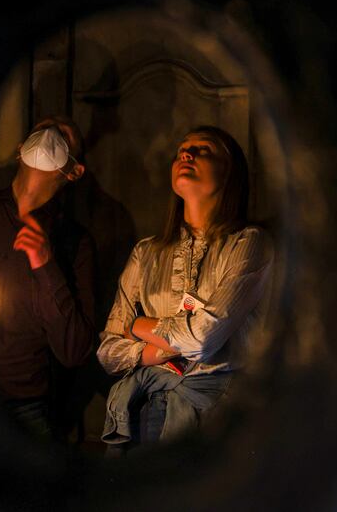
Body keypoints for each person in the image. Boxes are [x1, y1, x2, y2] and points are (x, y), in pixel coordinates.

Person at [96, 125, 273, 453]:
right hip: (142, 409)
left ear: (230, 171)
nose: (187, 154)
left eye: (204, 149)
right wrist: (159, 347)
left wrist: (136, 327)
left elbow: (203, 340)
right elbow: (108, 352)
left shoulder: (249, 244)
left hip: (213, 413)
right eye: (181, 150)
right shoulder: (146, 252)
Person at [0, 116, 95, 440]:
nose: (49, 134)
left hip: (25, 411)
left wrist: (45, 264)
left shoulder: (74, 242)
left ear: (74, 170)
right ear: (22, 149)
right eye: (41, 129)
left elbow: (75, 349)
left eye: (63, 134)